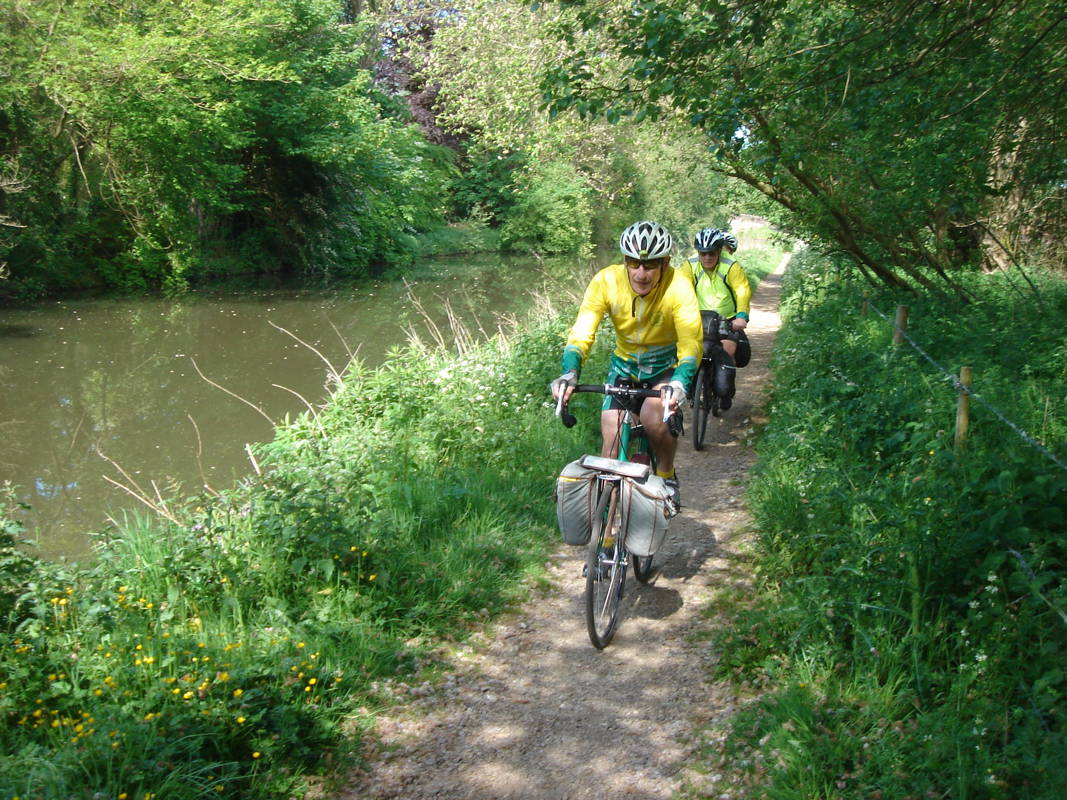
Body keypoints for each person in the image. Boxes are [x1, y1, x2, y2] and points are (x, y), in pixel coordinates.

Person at [550, 220, 702, 507]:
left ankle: (667, 474)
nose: (641, 274)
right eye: (634, 264)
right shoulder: (606, 281)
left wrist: (681, 381)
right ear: (625, 261)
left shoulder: (679, 286)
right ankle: (606, 537)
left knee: (654, 419)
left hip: (664, 369)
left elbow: (691, 342)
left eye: (651, 265)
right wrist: (570, 371)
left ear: (666, 263)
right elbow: (582, 331)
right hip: (624, 368)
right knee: (611, 440)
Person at [678, 227, 751, 410]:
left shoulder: (731, 265)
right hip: (698, 317)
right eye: (703, 253)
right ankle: (691, 388)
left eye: (711, 253)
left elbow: (742, 290)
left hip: (726, 317)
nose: (707, 258)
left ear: (719, 251)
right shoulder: (689, 265)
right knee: (688, 350)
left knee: (728, 349)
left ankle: (726, 390)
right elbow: (680, 289)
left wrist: (741, 316)